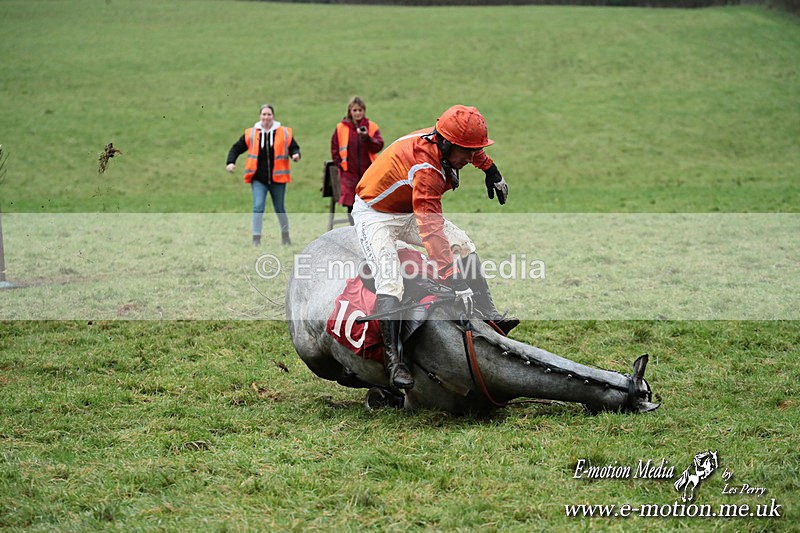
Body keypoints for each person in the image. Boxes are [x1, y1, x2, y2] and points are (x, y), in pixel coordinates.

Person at [353, 104, 519, 390]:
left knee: (463, 244)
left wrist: (491, 169)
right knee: (391, 281)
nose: (469, 158)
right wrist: (454, 279)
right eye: (465, 153)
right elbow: (431, 230)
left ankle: (489, 315)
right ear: (446, 143)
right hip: (375, 214)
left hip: (406, 208)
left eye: (472, 152)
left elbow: (472, 149)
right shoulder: (427, 169)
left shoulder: (445, 142)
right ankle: (395, 362)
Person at [226, 104, 301, 246]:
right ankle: (256, 239)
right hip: (258, 179)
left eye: (269, 114)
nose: (266, 117)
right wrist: (230, 162)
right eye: (264, 114)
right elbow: (237, 147)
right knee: (258, 207)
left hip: (278, 179)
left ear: (273, 116)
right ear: (260, 116)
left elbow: (293, 147)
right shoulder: (252, 133)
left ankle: (285, 237)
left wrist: (295, 154)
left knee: (279, 208)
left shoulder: (283, 132)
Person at [330, 96, 384, 224]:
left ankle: (367, 229)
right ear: (350, 111)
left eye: (360, 110)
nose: (358, 113)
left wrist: (367, 138)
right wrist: (340, 165)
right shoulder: (341, 127)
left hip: (368, 172)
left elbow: (378, 146)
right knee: (351, 204)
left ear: (364, 111)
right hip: (349, 173)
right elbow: (334, 147)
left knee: (369, 202)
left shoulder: (371, 126)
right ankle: (354, 230)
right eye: (355, 110)